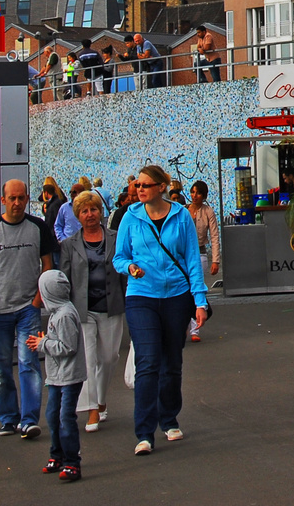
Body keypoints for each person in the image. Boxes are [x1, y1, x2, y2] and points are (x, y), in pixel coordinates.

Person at [113, 165, 209, 456]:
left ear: (161, 187)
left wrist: (200, 300)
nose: (139, 189)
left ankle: (168, 419)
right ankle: (144, 431)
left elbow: (193, 259)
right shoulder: (130, 217)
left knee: (171, 361)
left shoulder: (181, 216)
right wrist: (129, 267)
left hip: (176, 295)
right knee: (148, 361)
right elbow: (119, 256)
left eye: (145, 185)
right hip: (141, 295)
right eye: (137, 185)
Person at [0, 179, 59, 438]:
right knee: (0, 367)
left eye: (21, 198)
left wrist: (36, 300)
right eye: (12, 198)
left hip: (27, 309)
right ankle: (8, 418)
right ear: (4, 200)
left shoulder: (38, 227)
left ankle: (29, 419)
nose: (17, 203)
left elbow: (48, 266)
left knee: (28, 362)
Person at [58, 189, 125, 433]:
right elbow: (64, 278)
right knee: (88, 360)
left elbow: (124, 270)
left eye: (94, 209)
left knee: (109, 358)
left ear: (101, 211)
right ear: (77, 215)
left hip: (111, 305)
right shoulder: (68, 245)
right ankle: (92, 409)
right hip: (82, 308)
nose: (90, 214)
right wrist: (62, 309)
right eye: (85, 211)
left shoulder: (115, 238)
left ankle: (102, 398)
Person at [28, 270, 85, 482]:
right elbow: (58, 341)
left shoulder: (65, 315)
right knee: (53, 415)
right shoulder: (56, 313)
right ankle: (57, 455)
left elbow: (68, 346)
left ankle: (72, 462)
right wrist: (46, 340)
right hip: (56, 376)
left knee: (65, 418)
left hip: (69, 376)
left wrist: (42, 344)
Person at [186, 180, 223, 330]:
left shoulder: (208, 212)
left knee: (196, 286)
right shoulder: (183, 210)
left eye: (198, 193)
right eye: (193, 192)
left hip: (200, 253)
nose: (195, 196)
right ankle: (186, 322)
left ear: (204, 196)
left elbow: (214, 236)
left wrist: (216, 260)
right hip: (184, 255)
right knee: (185, 289)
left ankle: (195, 327)